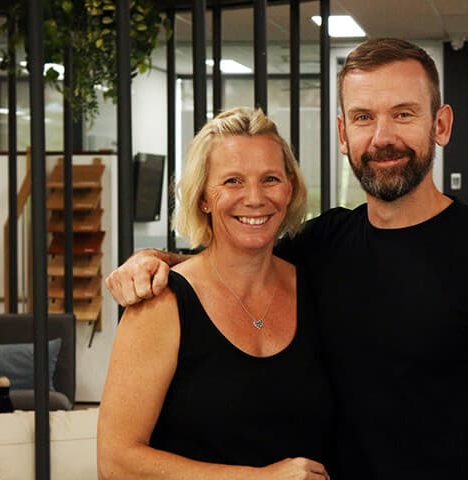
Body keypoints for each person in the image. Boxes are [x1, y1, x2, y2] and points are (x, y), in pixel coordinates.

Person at [105, 39, 468, 479]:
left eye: (403, 114)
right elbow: (234, 260)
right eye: (364, 117)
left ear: (441, 124)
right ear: (344, 134)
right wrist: (153, 259)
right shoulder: (324, 242)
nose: (383, 137)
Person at [97, 107, 333, 479]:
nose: (254, 198)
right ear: (204, 197)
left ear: (289, 189)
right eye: (233, 181)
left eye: (270, 179)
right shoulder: (163, 302)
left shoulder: (317, 286)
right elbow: (116, 462)